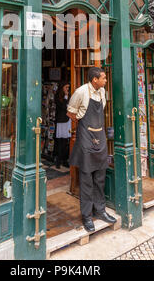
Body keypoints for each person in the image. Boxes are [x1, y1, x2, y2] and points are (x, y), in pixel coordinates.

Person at [67, 67, 116, 232]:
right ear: (95, 79)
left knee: (100, 177)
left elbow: (101, 110)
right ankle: (87, 216)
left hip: (100, 137)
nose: (105, 80)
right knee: (86, 179)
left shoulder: (102, 92)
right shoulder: (80, 92)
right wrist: (82, 122)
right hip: (86, 138)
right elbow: (71, 113)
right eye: (103, 78)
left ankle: (100, 210)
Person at [54, 83, 71, 169]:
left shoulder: (69, 96)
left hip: (68, 120)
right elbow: (64, 107)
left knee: (67, 141)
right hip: (61, 121)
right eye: (66, 87)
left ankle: (65, 160)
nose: (67, 89)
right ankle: (58, 161)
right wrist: (66, 97)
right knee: (61, 141)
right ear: (62, 88)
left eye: (68, 87)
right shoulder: (58, 97)